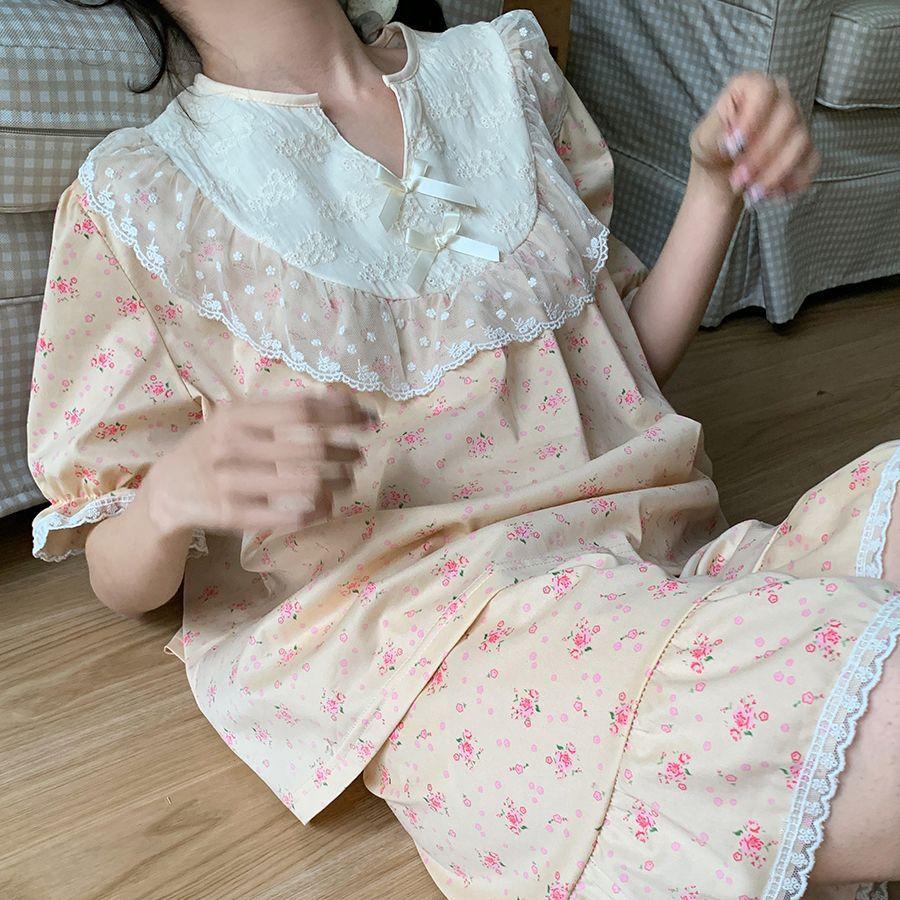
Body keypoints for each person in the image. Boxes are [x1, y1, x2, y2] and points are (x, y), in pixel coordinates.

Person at [28, 1, 899, 896]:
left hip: (672, 556)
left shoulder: (504, 69)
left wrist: (713, 190)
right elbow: (118, 574)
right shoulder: (140, 195)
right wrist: (170, 500)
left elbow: (620, 364)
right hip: (449, 636)